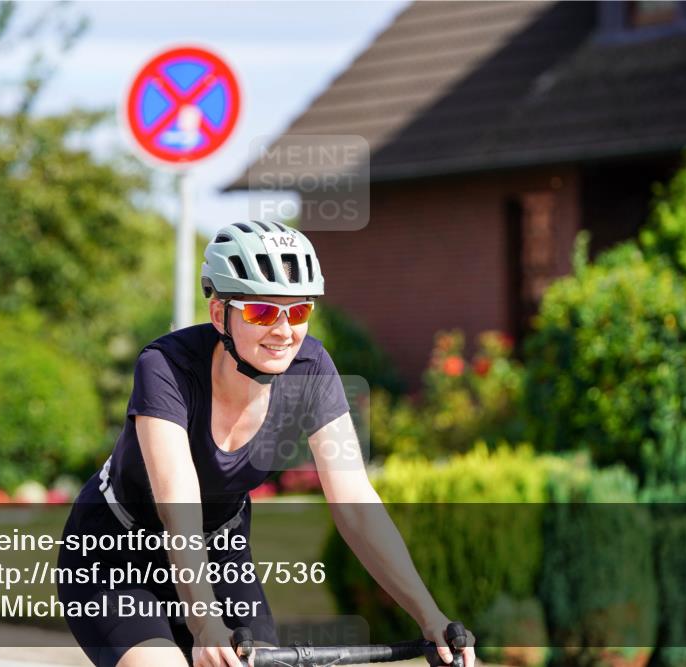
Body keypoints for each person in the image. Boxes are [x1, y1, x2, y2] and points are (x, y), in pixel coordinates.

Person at [57, 221, 476, 667]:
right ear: (220, 315)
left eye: (297, 312)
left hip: (220, 552)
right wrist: (205, 624)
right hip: (115, 553)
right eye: (261, 312)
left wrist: (430, 617)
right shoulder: (166, 367)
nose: (283, 331)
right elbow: (177, 503)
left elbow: (354, 502)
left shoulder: (311, 369)